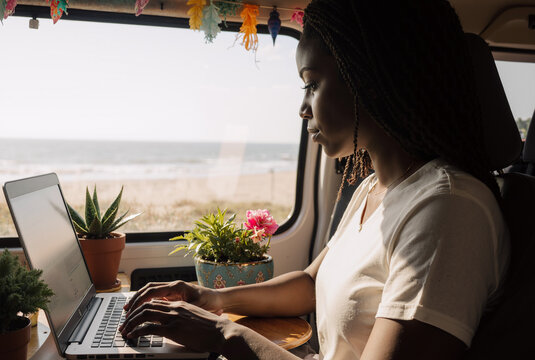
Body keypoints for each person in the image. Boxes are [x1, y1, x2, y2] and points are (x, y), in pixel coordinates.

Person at [119, 0, 510, 359]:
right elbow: (309, 283)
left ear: (369, 78)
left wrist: (224, 334)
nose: (303, 109)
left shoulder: (449, 209)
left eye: (311, 84)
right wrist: (210, 298)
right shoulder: (375, 189)